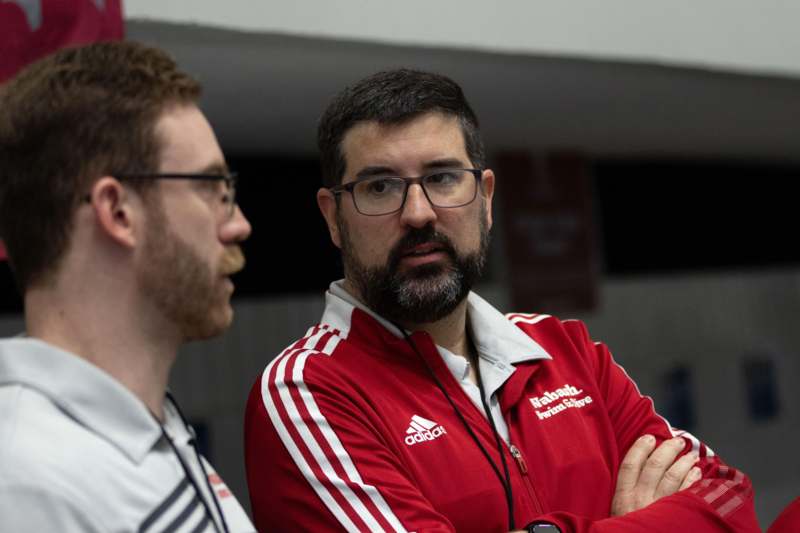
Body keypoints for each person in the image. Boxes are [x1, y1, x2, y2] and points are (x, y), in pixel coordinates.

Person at [244, 68, 760, 532]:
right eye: (380, 187)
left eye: (443, 178)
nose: (419, 213)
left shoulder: (563, 350)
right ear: (333, 217)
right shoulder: (308, 392)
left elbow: (728, 499)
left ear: (486, 199)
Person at [0, 41, 255, 532]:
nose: (238, 224)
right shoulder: (26, 482)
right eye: (211, 189)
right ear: (117, 212)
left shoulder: (149, 425)